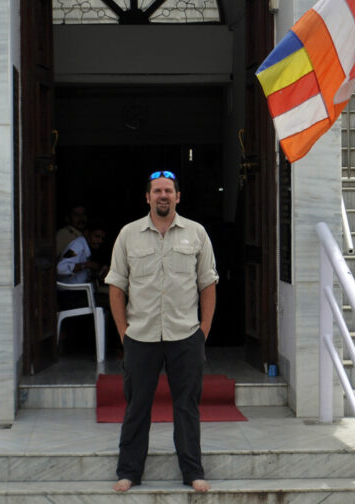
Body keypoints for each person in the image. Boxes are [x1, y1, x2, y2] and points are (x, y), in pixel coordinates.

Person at [103, 170, 218, 493]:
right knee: (137, 405)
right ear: (148, 197)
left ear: (178, 196)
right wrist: (124, 332)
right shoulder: (128, 235)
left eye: (168, 190)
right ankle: (129, 472)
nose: (163, 196)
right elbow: (116, 286)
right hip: (141, 335)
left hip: (186, 335)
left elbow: (208, 283)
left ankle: (193, 473)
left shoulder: (196, 234)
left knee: (187, 407)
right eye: (157, 191)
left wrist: (203, 330)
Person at [56, 223, 108, 309]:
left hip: (80, 294)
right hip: (69, 296)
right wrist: (87, 265)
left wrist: (100, 273)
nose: (100, 241)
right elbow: (60, 268)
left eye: (102, 238)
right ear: (87, 233)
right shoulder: (78, 246)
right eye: (97, 236)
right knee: (111, 301)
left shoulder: (88, 248)